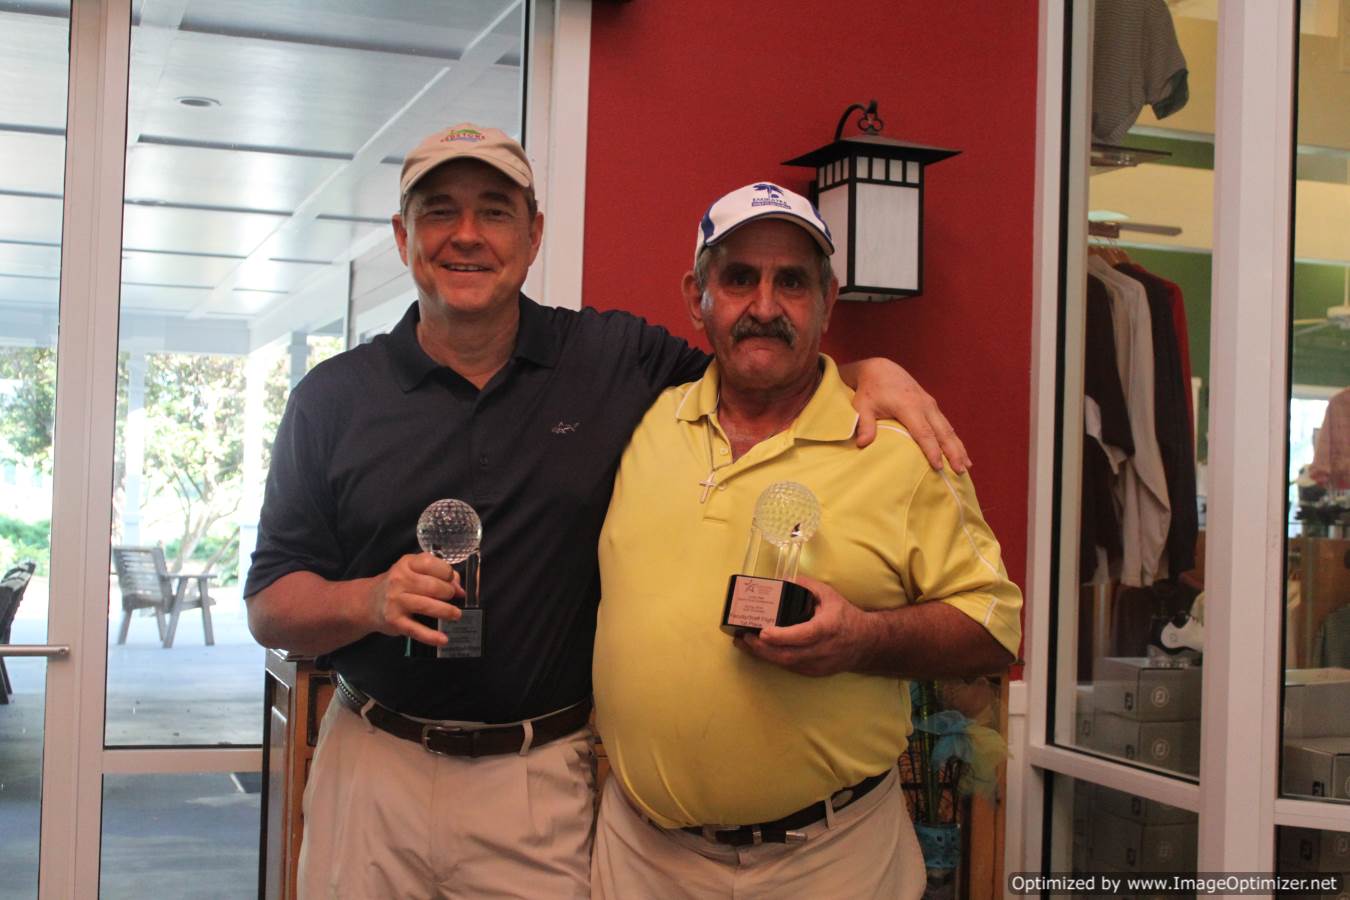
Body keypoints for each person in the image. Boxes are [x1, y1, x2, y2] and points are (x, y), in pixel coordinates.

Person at [244, 124, 969, 898]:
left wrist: (870, 370)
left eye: (494, 212)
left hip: (537, 786)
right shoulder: (330, 400)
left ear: (533, 236)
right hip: (373, 767)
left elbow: (757, 365)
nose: (466, 235)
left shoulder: (612, 359)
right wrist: (369, 599)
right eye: (437, 212)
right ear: (403, 236)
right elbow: (270, 607)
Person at [590, 182, 1023, 899]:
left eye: (791, 281)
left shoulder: (899, 451)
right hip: (642, 859)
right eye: (738, 278)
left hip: (829, 864)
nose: (764, 307)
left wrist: (863, 640)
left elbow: (994, 628)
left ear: (828, 300)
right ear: (696, 297)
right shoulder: (639, 423)